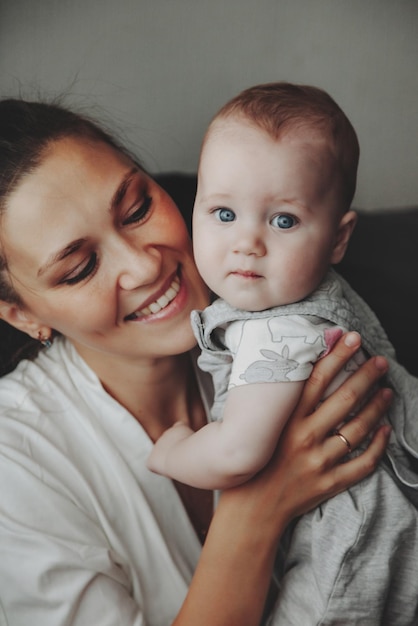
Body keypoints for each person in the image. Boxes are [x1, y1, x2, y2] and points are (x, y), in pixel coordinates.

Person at [0, 97, 391, 626]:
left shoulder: (279, 301)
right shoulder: (15, 467)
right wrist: (257, 504)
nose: (143, 264)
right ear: (22, 315)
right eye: (79, 268)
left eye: (138, 209)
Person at [147, 83, 418, 624]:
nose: (248, 241)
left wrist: (171, 452)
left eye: (284, 220)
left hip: (344, 549)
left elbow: (237, 454)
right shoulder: (322, 299)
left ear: (338, 240)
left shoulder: (279, 330)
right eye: (223, 213)